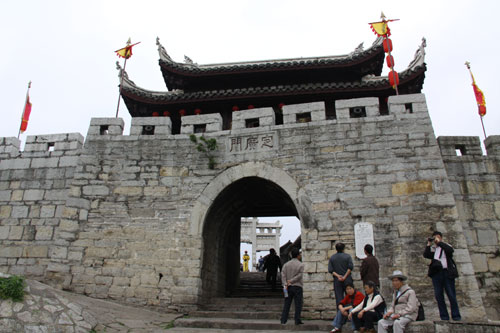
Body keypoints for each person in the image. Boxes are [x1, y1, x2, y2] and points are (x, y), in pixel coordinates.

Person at [423, 231, 461, 321]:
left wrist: (439, 242)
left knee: (451, 295)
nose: (436, 239)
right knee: (439, 296)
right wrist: (428, 244)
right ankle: (444, 317)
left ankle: (456, 316)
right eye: (434, 237)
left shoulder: (446, 246)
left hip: (447, 272)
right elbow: (426, 254)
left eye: (437, 237)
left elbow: (450, 251)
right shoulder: (434, 249)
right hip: (436, 274)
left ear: (441, 237)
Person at [280, 248, 304, 325]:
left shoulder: (286, 265)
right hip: (297, 286)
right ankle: (297, 319)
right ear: (298, 255)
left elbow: (283, 275)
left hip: (287, 287)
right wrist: (292, 281)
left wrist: (285, 284)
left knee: (287, 303)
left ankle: (283, 319)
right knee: (298, 304)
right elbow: (300, 275)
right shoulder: (300, 264)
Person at [328, 243, 354, 307]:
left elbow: (331, 270)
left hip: (337, 280)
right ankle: (349, 312)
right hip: (347, 279)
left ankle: (340, 314)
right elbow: (350, 268)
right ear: (343, 248)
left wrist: (338, 276)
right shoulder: (347, 256)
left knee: (339, 298)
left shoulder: (332, 258)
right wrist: (344, 276)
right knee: (350, 296)